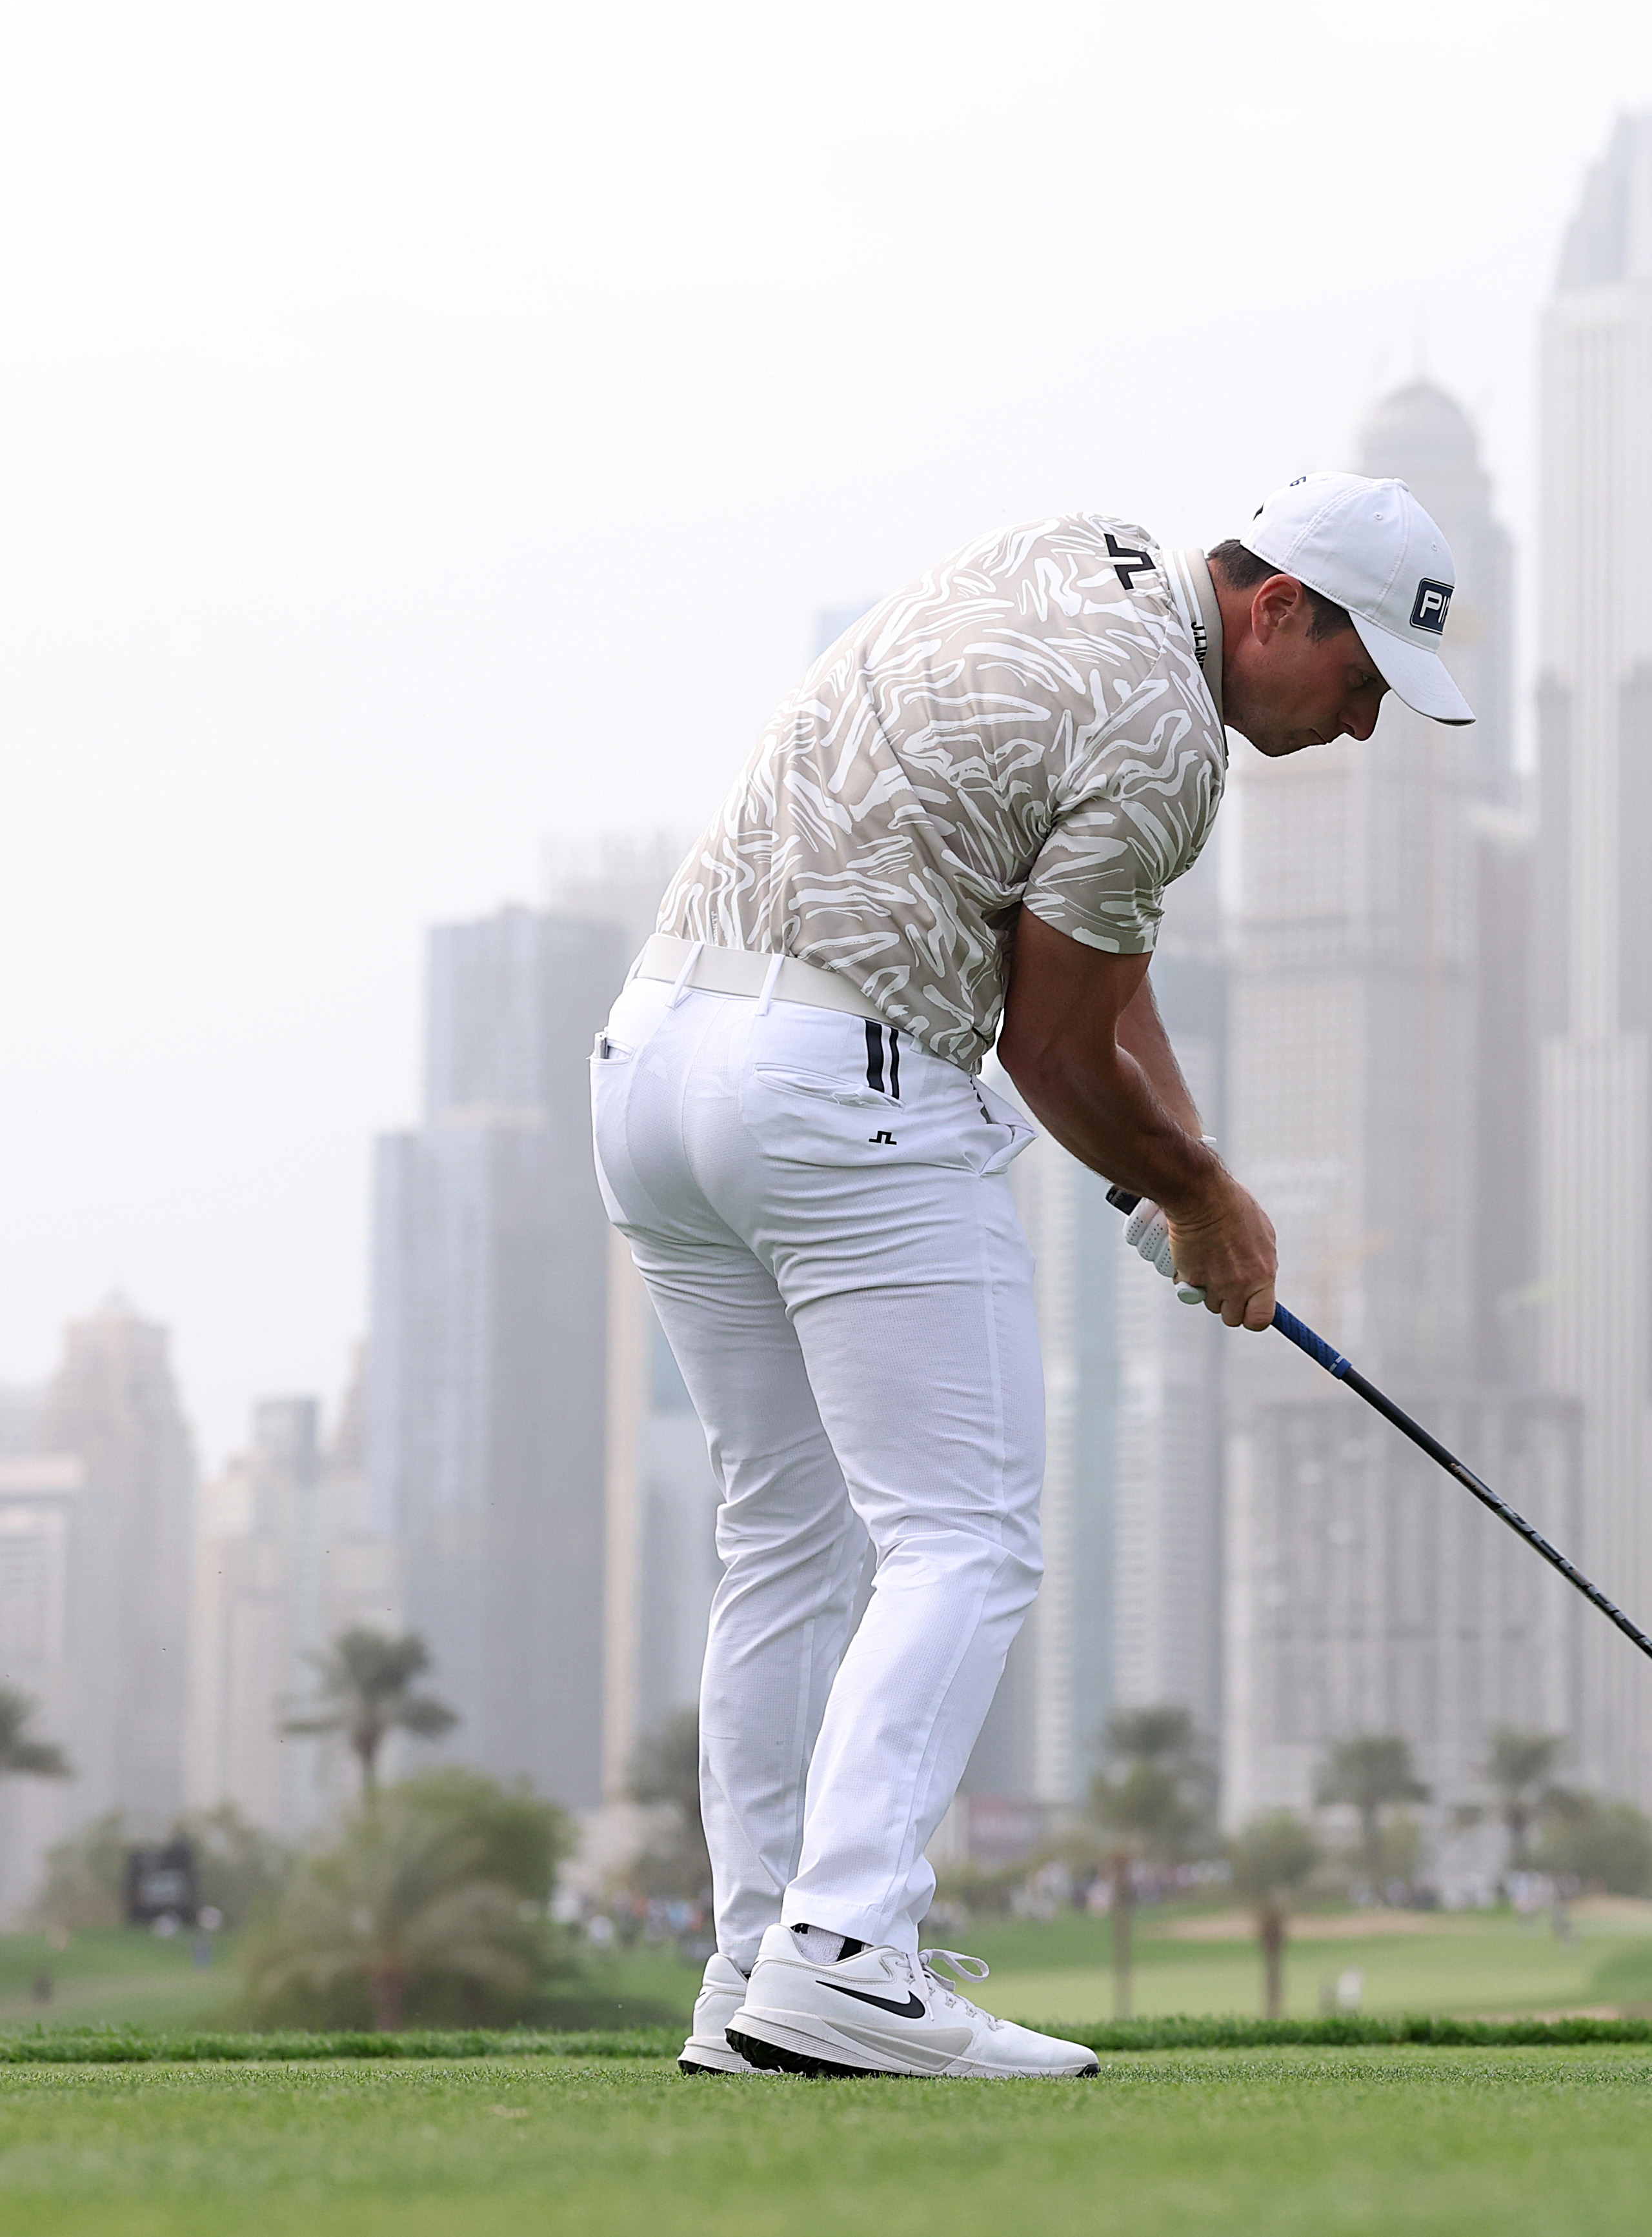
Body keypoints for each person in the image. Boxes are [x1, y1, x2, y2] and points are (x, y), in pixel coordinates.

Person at [590, 475, 1473, 2078]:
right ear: (1279, 608)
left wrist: (1199, 1187)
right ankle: (850, 1951)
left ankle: (754, 1971)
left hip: (654, 1060)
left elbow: (1085, 969)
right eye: (1358, 686)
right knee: (964, 1533)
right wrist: (1197, 1195)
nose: (1358, 731)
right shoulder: (1169, 745)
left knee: (783, 1537)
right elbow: (1051, 1042)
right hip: (830, 1081)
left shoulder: (1079, 554)